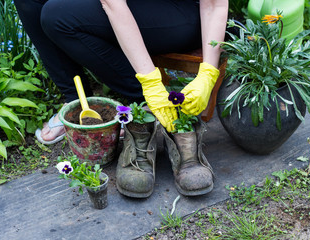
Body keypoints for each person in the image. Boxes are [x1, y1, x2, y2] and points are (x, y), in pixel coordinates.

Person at [14, 0, 228, 196]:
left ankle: (153, 112)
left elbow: (215, 4)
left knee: (57, 15)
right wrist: (150, 82)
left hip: (180, 13)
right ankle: (80, 102)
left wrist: (208, 73)